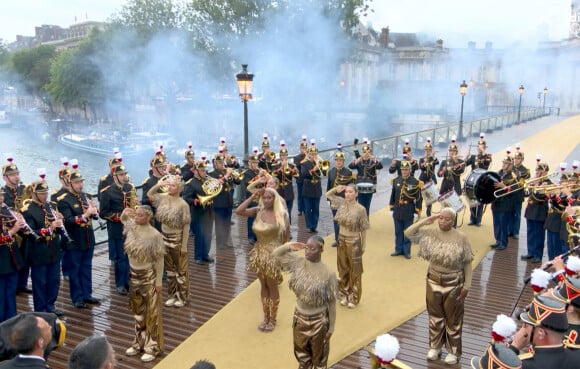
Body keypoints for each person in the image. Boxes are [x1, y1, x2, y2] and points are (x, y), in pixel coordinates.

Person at [404, 207, 473, 365]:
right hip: (433, 280)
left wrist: (467, 286)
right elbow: (408, 233)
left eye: (446, 219)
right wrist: (425, 221)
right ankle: (435, 347)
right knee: (435, 316)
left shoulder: (461, 237)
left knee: (453, 319)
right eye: (440, 218)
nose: (442, 221)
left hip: (454, 282)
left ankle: (453, 351)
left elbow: (467, 263)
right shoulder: (431, 232)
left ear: (453, 221)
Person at [273, 236, 338, 369]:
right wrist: (289, 245)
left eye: (312, 248)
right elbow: (275, 254)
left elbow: (332, 303)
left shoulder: (328, 273)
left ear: (321, 250)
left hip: (319, 321)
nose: (307, 251)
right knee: (302, 357)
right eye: (306, 248)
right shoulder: (298, 263)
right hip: (300, 318)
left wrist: (331, 328)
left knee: (319, 360)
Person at [235, 187, 289, 332]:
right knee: (263, 285)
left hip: (273, 254)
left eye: (269, 198)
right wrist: (252, 197)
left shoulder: (281, 214)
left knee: (272, 286)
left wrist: (283, 257)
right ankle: (265, 317)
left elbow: (286, 238)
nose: (266, 200)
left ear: (274, 198)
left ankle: (273, 319)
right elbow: (239, 211)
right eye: (264, 198)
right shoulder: (258, 210)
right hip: (258, 253)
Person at [120, 206, 165, 363]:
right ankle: (139, 342)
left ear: (148, 216)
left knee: (152, 313)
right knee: (137, 312)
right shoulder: (133, 228)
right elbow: (124, 220)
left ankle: (153, 347)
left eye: (139, 215)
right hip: (134, 276)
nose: (136, 218)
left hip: (148, 277)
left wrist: (158, 281)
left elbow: (159, 260)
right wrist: (124, 214)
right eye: (136, 215)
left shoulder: (155, 235)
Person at [57, 171, 100, 309]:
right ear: (70, 184)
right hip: (74, 241)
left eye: (81, 182)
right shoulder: (64, 200)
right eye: (77, 182)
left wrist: (94, 211)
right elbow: (68, 220)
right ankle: (77, 298)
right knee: (75, 270)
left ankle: (87, 294)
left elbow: (91, 216)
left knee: (87, 268)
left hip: (88, 238)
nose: (80, 185)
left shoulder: (85, 196)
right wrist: (86, 214)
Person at [147, 175, 191, 308]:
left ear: (179, 189)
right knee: (170, 270)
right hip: (164, 237)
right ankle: (172, 295)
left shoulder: (183, 204)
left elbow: (186, 226)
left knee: (180, 270)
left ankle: (183, 297)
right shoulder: (164, 198)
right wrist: (159, 185)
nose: (169, 187)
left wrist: (184, 246)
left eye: (172, 185)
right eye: (169, 185)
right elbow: (150, 194)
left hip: (177, 239)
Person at [21, 181, 63, 317]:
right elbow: (30, 232)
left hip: (54, 250)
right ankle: (40, 310)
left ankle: (50, 306)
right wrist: (50, 228)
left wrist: (59, 222)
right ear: (34, 194)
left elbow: (59, 229)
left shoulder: (51, 206)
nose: (45, 196)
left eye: (46, 193)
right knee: (40, 282)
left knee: (54, 280)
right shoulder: (27, 211)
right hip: (38, 251)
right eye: (42, 193)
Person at [326, 184, 369, 308]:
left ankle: (354, 297)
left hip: (354, 240)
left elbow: (363, 229)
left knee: (355, 271)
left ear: (356, 194)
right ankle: (344, 293)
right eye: (347, 192)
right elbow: (328, 195)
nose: (348, 194)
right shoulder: (341, 203)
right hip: (341, 240)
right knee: (343, 268)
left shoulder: (361, 209)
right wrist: (336, 189)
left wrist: (363, 245)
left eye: (351, 192)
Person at [509, 295, 578, 368]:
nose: (523, 328)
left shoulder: (524, 365)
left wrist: (514, 347)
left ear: (541, 333)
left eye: (527, 324)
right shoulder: (576, 358)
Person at [100, 165, 137, 295]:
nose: (124, 176)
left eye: (124, 174)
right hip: (117, 228)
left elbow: (134, 204)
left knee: (129, 256)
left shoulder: (129, 188)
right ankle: (120, 283)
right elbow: (103, 213)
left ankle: (127, 281)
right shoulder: (107, 192)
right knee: (120, 257)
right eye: (121, 175)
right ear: (115, 176)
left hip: (130, 228)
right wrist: (120, 216)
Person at [2, 158, 31, 295]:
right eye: (13, 174)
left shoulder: (23, 189)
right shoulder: (3, 193)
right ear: (5, 177)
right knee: (13, 258)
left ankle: (22, 283)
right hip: (11, 230)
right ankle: (14, 285)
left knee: (25, 257)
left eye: (17, 173)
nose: (17, 176)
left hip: (24, 227)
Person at [182, 160, 215, 265]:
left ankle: (205, 254)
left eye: (204, 170)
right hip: (198, 212)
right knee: (200, 236)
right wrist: (194, 201)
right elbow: (186, 197)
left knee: (208, 235)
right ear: (195, 171)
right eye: (201, 170)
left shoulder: (207, 180)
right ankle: (198, 256)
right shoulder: (191, 183)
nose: (204, 172)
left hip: (209, 212)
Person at [0, 188, 25, 323]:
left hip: (11, 259)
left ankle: (12, 320)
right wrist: (13, 230)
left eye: (1, 196)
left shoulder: (5, 210)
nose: (1, 199)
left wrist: (20, 222)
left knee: (10, 292)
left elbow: (17, 229)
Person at [389, 160, 423, 259]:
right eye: (402, 169)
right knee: (398, 231)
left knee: (408, 231)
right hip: (398, 209)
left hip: (408, 209)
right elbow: (393, 195)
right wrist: (391, 208)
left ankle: (406, 251)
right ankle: (398, 249)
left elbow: (419, 198)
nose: (404, 171)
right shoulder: (396, 180)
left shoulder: (415, 182)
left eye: (406, 170)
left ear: (410, 170)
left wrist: (417, 211)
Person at [521, 162, 552, 263]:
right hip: (531, 210)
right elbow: (526, 194)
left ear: (545, 172)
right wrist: (529, 186)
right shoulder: (535, 181)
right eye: (537, 171)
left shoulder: (548, 183)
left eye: (540, 172)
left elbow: (541, 198)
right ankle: (531, 252)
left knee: (538, 234)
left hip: (540, 211)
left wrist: (535, 186)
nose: (537, 173)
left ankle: (538, 255)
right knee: (530, 232)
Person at [208, 154, 239, 249]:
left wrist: (234, 175)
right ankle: (220, 243)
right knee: (219, 224)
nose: (222, 164)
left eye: (223, 162)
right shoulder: (211, 173)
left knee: (227, 223)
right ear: (215, 163)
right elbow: (215, 185)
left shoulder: (226, 171)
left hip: (228, 201)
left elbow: (238, 182)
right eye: (220, 163)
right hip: (219, 202)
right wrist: (227, 175)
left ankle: (225, 241)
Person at [326, 151, 355, 247]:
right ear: (335, 161)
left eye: (341, 160)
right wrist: (328, 200)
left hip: (344, 200)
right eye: (337, 160)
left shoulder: (348, 172)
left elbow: (352, 187)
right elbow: (329, 186)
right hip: (334, 201)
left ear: (343, 161)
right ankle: (337, 239)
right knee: (336, 220)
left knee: (344, 221)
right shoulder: (331, 172)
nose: (339, 162)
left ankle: (345, 239)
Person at [490, 156, 519, 250]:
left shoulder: (514, 176)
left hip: (506, 203)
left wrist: (503, 186)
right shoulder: (499, 173)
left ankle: (503, 242)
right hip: (496, 201)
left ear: (511, 165)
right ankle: (498, 240)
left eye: (506, 163)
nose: (503, 164)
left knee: (503, 224)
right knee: (496, 223)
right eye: (503, 162)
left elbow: (514, 190)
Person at [349, 141, 383, 217]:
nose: (366, 154)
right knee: (360, 205)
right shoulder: (359, 161)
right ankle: (360, 221)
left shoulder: (373, 161)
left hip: (369, 186)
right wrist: (356, 161)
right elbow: (350, 166)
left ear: (370, 153)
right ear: (362, 153)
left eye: (367, 152)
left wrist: (374, 159)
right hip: (360, 186)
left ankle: (366, 221)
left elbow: (380, 166)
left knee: (367, 205)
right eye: (364, 152)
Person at [464, 136, 492, 226]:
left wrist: (483, 152)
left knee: (480, 200)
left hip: (482, 181)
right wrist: (466, 157)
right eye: (478, 146)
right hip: (473, 181)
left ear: (484, 147)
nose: (479, 148)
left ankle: (478, 220)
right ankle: (472, 219)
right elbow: (464, 165)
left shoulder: (487, 156)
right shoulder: (473, 157)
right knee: (472, 199)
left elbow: (487, 164)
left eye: (481, 146)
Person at [300, 144, 326, 233]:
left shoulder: (319, 163)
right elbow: (304, 174)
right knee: (308, 209)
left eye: (315, 154)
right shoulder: (304, 164)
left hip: (317, 189)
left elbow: (325, 173)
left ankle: (314, 226)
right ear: (309, 155)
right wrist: (314, 169)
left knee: (316, 209)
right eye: (312, 154)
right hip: (308, 188)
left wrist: (322, 166)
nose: (314, 156)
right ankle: (308, 226)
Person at [272, 142, 298, 221]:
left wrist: (290, 169)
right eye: (282, 155)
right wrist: (280, 168)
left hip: (289, 190)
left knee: (288, 211)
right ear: (280, 157)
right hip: (279, 191)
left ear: (287, 156)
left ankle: (287, 228)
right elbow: (273, 175)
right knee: (279, 211)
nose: (284, 157)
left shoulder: (292, 165)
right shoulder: (275, 166)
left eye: (285, 155)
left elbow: (297, 176)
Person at [510, 150, 530, 239]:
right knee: (509, 213)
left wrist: (516, 174)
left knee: (517, 214)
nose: (516, 160)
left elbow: (522, 181)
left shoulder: (525, 170)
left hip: (518, 194)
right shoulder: (510, 167)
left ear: (522, 160)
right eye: (515, 158)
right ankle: (509, 230)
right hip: (510, 194)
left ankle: (516, 232)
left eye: (518, 158)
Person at [418, 138, 439, 217]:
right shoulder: (421, 159)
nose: (427, 151)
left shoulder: (432, 158)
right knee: (420, 197)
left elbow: (437, 162)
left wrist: (433, 156)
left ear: (431, 151)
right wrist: (425, 161)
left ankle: (428, 213)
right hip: (422, 179)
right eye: (426, 150)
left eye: (429, 150)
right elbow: (421, 167)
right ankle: (418, 212)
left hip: (430, 179)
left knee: (429, 197)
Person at [294, 137, 308, 216]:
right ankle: (300, 209)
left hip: (307, 179)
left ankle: (306, 209)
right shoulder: (296, 157)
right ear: (300, 149)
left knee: (306, 195)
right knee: (300, 195)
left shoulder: (309, 157)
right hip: (300, 179)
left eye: (305, 148)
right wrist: (305, 159)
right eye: (302, 148)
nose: (304, 150)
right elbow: (298, 165)